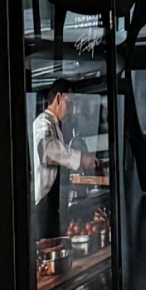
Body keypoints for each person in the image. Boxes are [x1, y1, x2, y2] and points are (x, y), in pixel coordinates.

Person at [31, 80, 99, 208]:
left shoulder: (55, 124)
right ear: (58, 98)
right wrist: (80, 158)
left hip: (54, 202)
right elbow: (46, 149)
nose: (71, 111)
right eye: (69, 104)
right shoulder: (42, 122)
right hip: (44, 203)